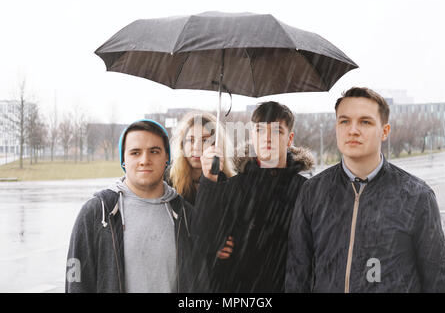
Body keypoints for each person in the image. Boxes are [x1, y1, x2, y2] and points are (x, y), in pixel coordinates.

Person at [286, 87, 445, 293]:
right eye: (344, 121)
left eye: (365, 122)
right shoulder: (313, 191)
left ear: (385, 131)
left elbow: (438, 280)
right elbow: (297, 273)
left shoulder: (417, 196)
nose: (353, 130)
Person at [194, 101, 314, 292]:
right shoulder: (234, 187)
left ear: (289, 138)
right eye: (259, 130)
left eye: (276, 131)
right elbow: (203, 238)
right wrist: (208, 179)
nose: (267, 137)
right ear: (252, 135)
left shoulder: (307, 191)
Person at [65, 119, 196, 293]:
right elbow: (77, 284)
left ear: (166, 158)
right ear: (123, 159)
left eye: (154, 151)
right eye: (135, 153)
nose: (145, 160)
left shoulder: (185, 214)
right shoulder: (98, 212)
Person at [167, 111, 236, 205]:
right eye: (190, 140)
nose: (197, 147)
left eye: (204, 140)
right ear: (181, 145)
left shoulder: (231, 186)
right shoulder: (168, 182)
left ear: (217, 145)